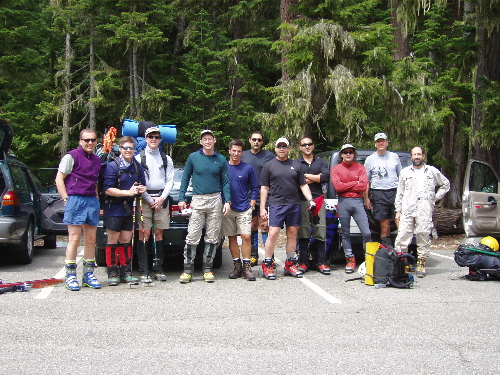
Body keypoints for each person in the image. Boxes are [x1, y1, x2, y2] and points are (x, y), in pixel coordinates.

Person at [177, 130, 231, 283]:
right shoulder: (193, 157)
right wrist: (181, 198)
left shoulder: (220, 159)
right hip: (198, 199)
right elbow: (185, 178)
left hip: (215, 199)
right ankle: (188, 270)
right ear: (201, 142)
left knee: (213, 237)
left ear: (214, 141)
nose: (207, 141)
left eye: (210, 139)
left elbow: (226, 181)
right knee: (192, 235)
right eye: (204, 139)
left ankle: (207, 269)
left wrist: (227, 201)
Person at [259, 137, 316, 280]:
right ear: (275, 149)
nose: (282, 149)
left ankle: (290, 263)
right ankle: (267, 264)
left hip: (294, 204)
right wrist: (262, 208)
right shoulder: (269, 165)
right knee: (273, 233)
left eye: (284, 146)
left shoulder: (295, 165)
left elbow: (303, 185)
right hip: (276, 204)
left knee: (292, 234)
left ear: (289, 149)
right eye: (279, 146)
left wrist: (311, 200)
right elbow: (264, 188)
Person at [55, 128, 102, 291]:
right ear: (80, 141)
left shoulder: (97, 160)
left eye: (93, 140)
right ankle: (70, 275)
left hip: (91, 200)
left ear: (96, 142)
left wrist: (96, 199)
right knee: (74, 238)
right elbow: (59, 179)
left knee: (91, 239)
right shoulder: (71, 156)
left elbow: (95, 182)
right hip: (75, 198)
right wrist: (66, 198)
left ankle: (88, 274)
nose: (90, 143)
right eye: (86, 140)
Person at [394, 146, 450, 278]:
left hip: (424, 206)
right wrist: (398, 210)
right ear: (411, 157)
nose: (417, 157)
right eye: (414, 154)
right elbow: (400, 193)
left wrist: (436, 198)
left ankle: (421, 262)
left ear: (423, 156)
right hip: (408, 207)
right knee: (403, 236)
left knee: (423, 234)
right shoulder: (405, 172)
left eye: (419, 154)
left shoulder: (431, 171)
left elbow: (446, 184)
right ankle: (404, 262)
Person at [102, 136, 147, 286]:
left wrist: (140, 189)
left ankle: (126, 271)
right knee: (112, 241)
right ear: (120, 149)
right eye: (125, 148)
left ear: (135, 150)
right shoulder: (112, 166)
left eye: (131, 148)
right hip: (113, 209)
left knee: (126, 241)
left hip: (129, 210)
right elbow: (107, 189)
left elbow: (143, 184)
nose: (128, 151)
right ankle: (112, 272)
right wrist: (128, 192)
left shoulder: (136, 165)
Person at [135, 126, 174, 283]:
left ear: (160, 140)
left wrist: (161, 199)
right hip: (144, 198)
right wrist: (150, 200)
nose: (153, 139)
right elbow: (138, 181)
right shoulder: (139, 158)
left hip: (161, 199)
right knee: (144, 233)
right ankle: (144, 271)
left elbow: (170, 180)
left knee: (158, 234)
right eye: (150, 136)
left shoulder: (166, 158)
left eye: (156, 137)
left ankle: (158, 269)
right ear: (145, 138)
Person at [330, 143, 372, 273]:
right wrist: (355, 183)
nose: (348, 154)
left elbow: (363, 186)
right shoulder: (336, 169)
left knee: (367, 233)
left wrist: (346, 184)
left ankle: (369, 259)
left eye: (350, 152)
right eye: (345, 152)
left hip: (358, 201)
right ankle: (349, 258)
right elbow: (337, 187)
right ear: (341, 154)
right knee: (345, 233)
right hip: (343, 202)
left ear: (354, 154)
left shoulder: (360, 167)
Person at [222, 139, 259, 281]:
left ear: (242, 153)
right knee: (231, 237)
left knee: (246, 236)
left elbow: (255, 187)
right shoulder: (224, 168)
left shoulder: (247, 168)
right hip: (228, 208)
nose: (236, 153)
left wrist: (252, 202)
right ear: (229, 151)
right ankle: (237, 266)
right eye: (233, 151)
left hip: (244, 207)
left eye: (238, 151)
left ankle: (247, 267)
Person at [295, 137, 331, 274]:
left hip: (319, 200)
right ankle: (303, 262)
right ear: (300, 147)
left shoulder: (321, 162)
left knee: (320, 232)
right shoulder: (297, 163)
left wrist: (306, 177)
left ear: (313, 146)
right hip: (302, 200)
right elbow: (297, 182)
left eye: (309, 144)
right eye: (304, 145)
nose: (307, 146)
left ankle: (322, 262)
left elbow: (326, 177)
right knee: (303, 232)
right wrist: (316, 177)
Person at [241, 131, 275, 266]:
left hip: (265, 195)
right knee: (253, 225)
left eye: (259, 140)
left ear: (262, 142)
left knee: (265, 225)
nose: (256, 142)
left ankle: (269, 255)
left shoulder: (269, 156)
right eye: (254, 139)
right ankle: (253, 254)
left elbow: (275, 171)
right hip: (248, 196)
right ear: (249, 140)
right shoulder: (243, 155)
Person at [363, 133, 402, 247]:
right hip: (378, 193)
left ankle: (401, 249)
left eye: (383, 141)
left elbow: (401, 177)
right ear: (375, 144)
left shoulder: (394, 156)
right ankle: (387, 250)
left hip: (394, 192)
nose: (381, 143)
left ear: (387, 142)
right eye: (378, 141)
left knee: (399, 222)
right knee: (385, 227)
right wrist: (366, 199)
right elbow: (366, 181)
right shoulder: (370, 159)